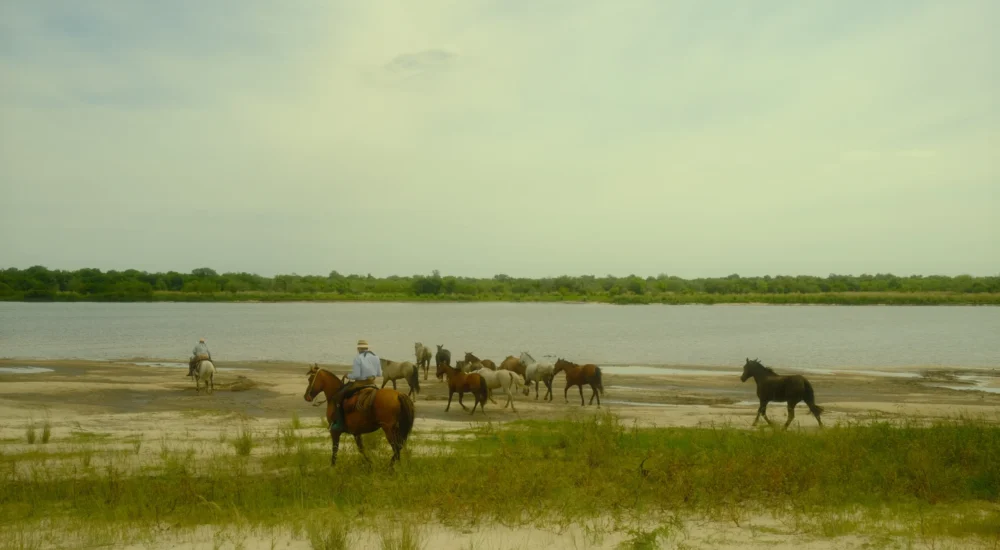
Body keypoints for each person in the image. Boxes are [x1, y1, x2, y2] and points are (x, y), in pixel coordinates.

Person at [329, 339, 382, 432]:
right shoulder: (376, 357)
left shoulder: (358, 358)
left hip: (360, 384)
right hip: (372, 384)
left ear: (359, 349)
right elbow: (379, 373)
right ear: (367, 348)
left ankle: (339, 424)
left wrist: (348, 375)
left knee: (338, 397)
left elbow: (356, 375)